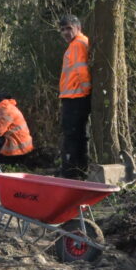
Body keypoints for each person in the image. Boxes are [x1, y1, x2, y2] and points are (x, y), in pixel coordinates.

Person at [58, 14, 91, 178]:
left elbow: (81, 70)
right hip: (74, 95)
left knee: (72, 135)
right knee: (78, 135)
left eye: (69, 28)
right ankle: (77, 169)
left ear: (78, 27)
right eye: (62, 29)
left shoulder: (78, 44)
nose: (65, 32)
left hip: (76, 97)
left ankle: (71, 171)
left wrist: (85, 92)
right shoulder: (77, 44)